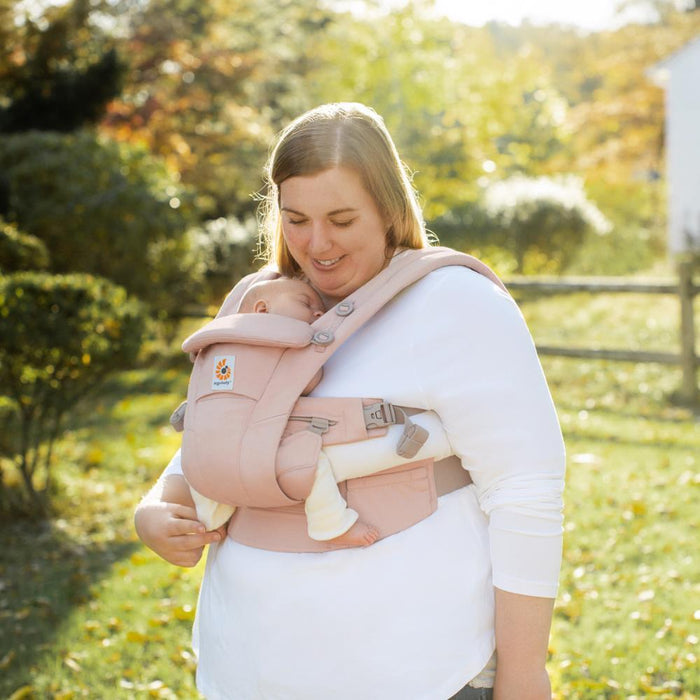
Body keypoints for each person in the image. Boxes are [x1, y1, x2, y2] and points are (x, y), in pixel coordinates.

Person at [134, 102, 566, 700]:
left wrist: (524, 675)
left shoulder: (455, 304)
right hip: (248, 669)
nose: (317, 245)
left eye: (341, 218)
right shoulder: (254, 303)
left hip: (415, 672)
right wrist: (157, 505)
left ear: (390, 208)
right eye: (296, 219)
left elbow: (526, 491)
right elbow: (220, 435)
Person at [183, 274, 451, 547]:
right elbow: (309, 381)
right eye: (305, 302)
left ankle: (209, 519)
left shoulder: (216, 346)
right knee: (312, 466)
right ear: (263, 311)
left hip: (207, 450)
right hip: (262, 448)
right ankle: (331, 524)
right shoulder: (277, 343)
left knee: (209, 480)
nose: (319, 311)